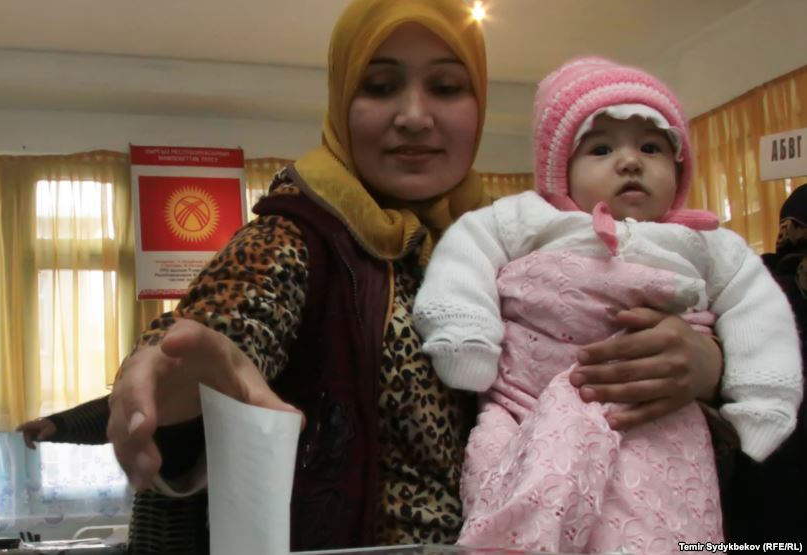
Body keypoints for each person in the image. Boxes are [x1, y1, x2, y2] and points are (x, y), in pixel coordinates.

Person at [108, 4, 728, 551]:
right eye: (379, 86)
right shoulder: (297, 237)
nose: (413, 116)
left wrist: (708, 369)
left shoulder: (523, 246)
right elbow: (230, 323)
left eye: (446, 87)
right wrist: (174, 371)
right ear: (341, 100)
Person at [413, 57, 803, 553]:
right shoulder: (531, 217)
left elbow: (759, 309)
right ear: (561, 170)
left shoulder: (703, 242)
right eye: (601, 148)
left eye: (651, 147)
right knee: (509, 470)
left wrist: (763, 400)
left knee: (654, 522)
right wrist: (465, 335)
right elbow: (467, 250)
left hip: (654, 420)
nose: (630, 161)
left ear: (679, 167)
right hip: (526, 406)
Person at [16, 398, 209, 554]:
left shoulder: (227, 359)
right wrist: (60, 424)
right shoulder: (158, 358)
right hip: (158, 509)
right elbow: (126, 408)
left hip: (212, 509)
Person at [724, 184, 807, 542]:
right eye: (785, 221)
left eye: (795, 222)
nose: (785, 230)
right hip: (770, 448)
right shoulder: (755, 281)